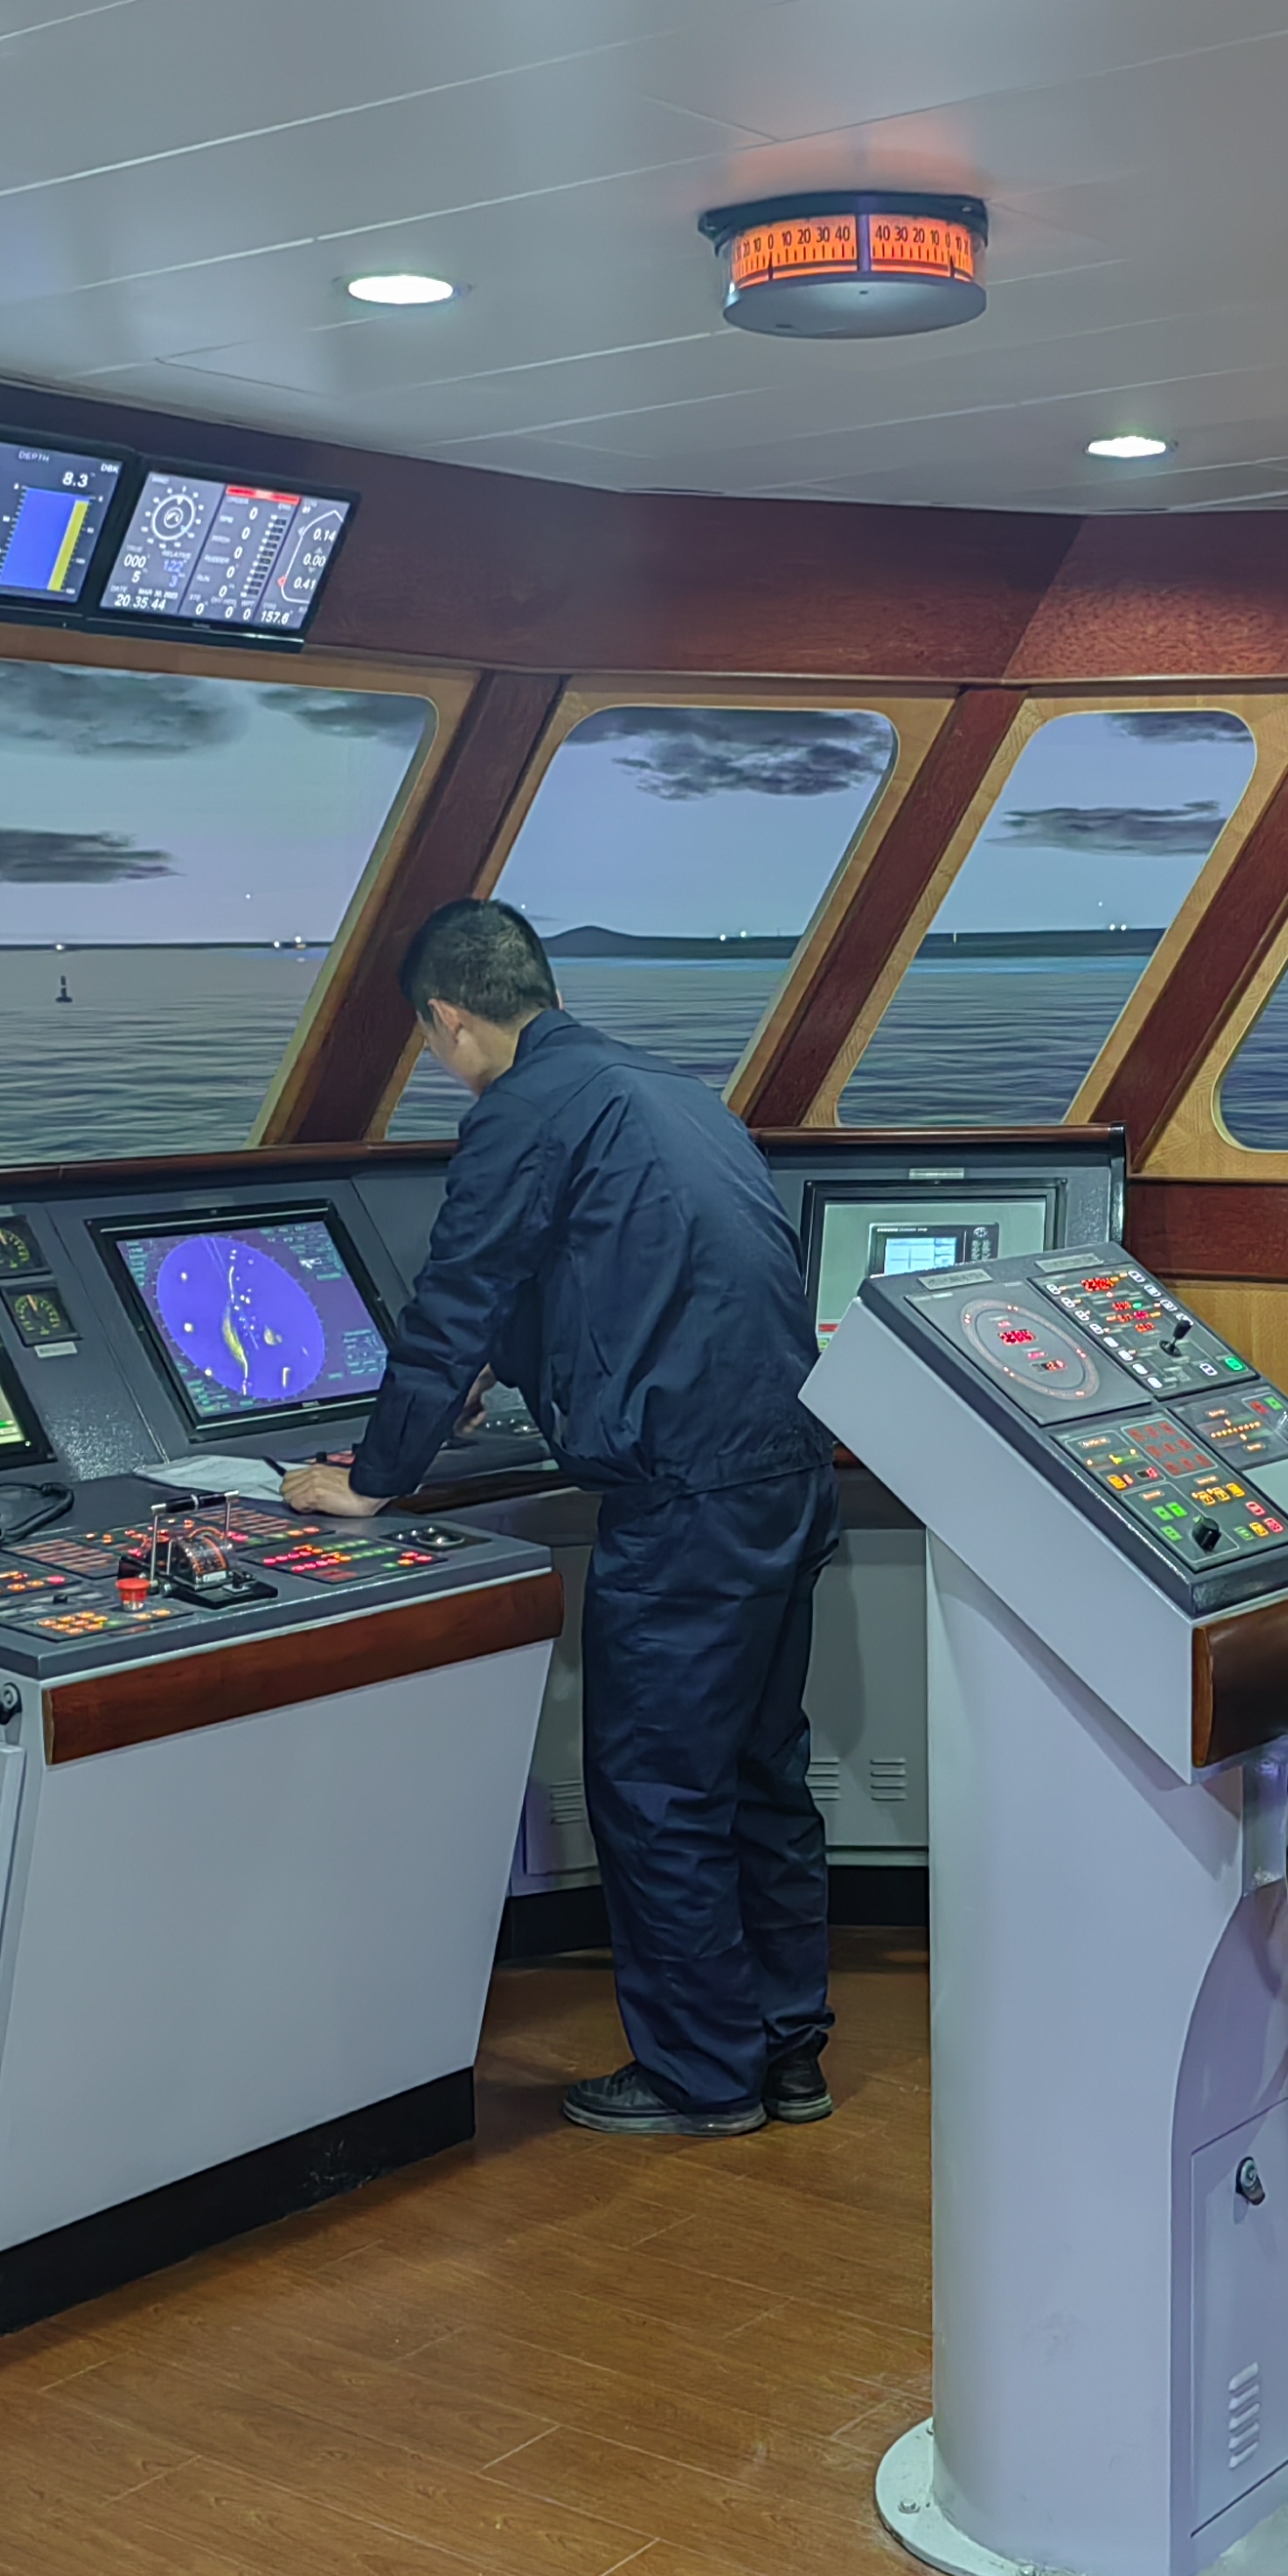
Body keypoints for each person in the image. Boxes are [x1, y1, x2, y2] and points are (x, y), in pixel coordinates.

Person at [284, 897, 842, 2139]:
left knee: (657, 1789)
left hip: (685, 1502)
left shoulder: (520, 1111)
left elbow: (452, 1303)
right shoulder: (668, 1090)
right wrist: (508, 1363)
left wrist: (372, 1478)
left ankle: (701, 2078)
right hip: (786, 1473)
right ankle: (784, 2050)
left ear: (447, 1020)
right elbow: (631, 1271)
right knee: (760, 1774)